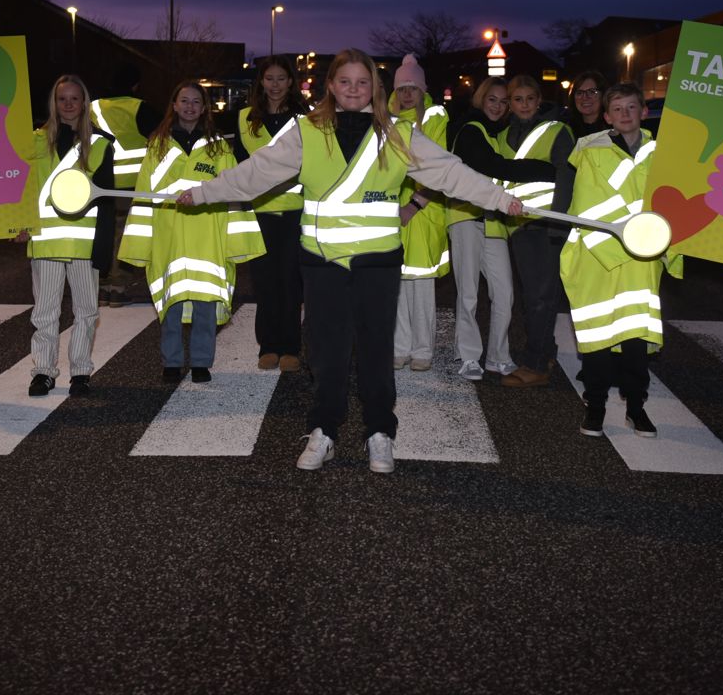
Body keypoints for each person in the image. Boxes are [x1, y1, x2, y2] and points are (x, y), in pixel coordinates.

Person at [176, 50, 522, 474]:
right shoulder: (306, 132)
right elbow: (256, 172)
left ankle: (380, 431)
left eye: (362, 82)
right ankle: (324, 429)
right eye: (345, 82)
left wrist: (501, 199)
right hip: (322, 263)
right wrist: (204, 192)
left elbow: (451, 173)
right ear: (331, 86)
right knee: (327, 351)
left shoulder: (398, 134)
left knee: (376, 350)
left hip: (378, 262)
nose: (354, 89)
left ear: (375, 88)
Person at [119, 81, 263, 383]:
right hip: (167, 238)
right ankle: (170, 362)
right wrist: (138, 246)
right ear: (173, 105)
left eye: (196, 101)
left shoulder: (219, 148)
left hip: (207, 238)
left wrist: (237, 242)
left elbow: (233, 192)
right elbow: (144, 195)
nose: (189, 107)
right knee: (169, 304)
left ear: (204, 107)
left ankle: (201, 362)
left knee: (205, 304)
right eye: (184, 100)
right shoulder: (157, 147)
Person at [561, 82, 681, 438]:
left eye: (632, 107)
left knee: (635, 341)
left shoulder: (663, 152)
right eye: (618, 109)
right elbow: (588, 205)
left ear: (644, 111)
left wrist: (658, 244)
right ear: (605, 116)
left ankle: (636, 408)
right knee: (598, 338)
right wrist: (633, 237)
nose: (625, 114)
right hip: (601, 256)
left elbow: (672, 202)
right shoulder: (590, 149)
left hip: (642, 259)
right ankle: (595, 408)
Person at [20, 74, 115, 398]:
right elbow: (20, 189)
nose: (69, 104)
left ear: (84, 103)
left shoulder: (101, 144)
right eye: (63, 99)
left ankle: (80, 373)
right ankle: (43, 372)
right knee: (44, 312)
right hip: (45, 241)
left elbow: (106, 202)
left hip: (83, 244)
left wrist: (104, 249)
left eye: (75, 99)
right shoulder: (33, 140)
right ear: (54, 103)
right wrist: (16, 223)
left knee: (86, 310)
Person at [225, 56, 308, 373]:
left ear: (290, 82)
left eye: (281, 79)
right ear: (261, 82)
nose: (274, 85)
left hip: (294, 212)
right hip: (258, 212)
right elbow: (240, 164)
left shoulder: (306, 119)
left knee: (291, 282)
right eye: (269, 79)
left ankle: (291, 347)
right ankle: (268, 346)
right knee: (263, 282)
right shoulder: (245, 117)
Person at [498, 75, 576, 388]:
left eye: (530, 98)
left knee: (541, 297)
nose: (525, 104)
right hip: (520, 226)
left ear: (539, 100)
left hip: (546, 225)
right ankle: (547, 351)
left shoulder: (558, 130)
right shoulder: (505, 135)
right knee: (536, 295)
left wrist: (558, 222)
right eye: (518, 99)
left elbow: (567, 177)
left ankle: (536, 364)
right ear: (510, 104)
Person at [446, 77, 517, 381]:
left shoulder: (497, 134)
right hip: (464, 216)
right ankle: (468, 355)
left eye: (504, 101)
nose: (498, 106)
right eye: (493, 99)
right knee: (469, 292)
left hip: (493, 222)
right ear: (481, 98)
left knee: (505, 293)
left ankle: (499, 356)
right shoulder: (469, 129)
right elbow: (494, 167)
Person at [388, 54, 450, 372]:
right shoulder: (386, 120)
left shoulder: (436, 118)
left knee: (421, 284)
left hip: (423, 211)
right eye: (402, 88)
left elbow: (437, 168)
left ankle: (422, 349)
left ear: (423, 90)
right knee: (396, 281)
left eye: (413, 87)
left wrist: (414, 205)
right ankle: (399, 346)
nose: (407, 93)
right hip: (392, 209)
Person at [89, 85, 161, 306]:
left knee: (105, 233)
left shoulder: (92, 107)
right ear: (136, 84)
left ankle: (101, 288)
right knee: (126, 236)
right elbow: (160, 138)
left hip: (101, 180)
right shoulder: (139, 107)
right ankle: (118, 288)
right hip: (133, 182)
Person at [565, 70, 609, 138]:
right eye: (579, 93)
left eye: (592, 92)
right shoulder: (565, 130)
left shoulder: (614, 129)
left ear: (603, 95)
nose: (585, 97)